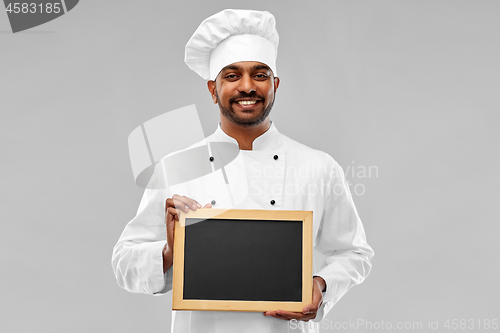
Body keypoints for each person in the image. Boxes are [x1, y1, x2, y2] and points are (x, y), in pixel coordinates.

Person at [112, 9, 374, 333]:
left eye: (260, 74)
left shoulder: (318, 167)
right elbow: (124, 262)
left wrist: (322, 286)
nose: (247, 87)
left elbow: (354, 252)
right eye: (232, 75)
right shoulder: (176, 167)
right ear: (212, 89)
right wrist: (169, 251)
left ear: (275, 84)